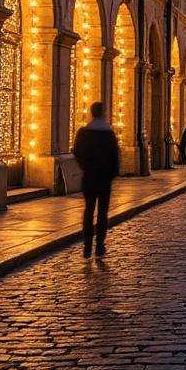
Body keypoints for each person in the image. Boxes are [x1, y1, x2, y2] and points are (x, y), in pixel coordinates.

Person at [72, 101, 120, 258]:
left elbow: (76, 151)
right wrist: (112, 174)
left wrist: (85, 166)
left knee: (88, 210)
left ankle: (87, 246)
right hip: (104, 179)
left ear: (91, 113)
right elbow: (115, 157)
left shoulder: (83, 132)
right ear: (103, 113)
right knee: (102, 213)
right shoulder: (109, 133)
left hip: (89, 177)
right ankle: (99, 246)